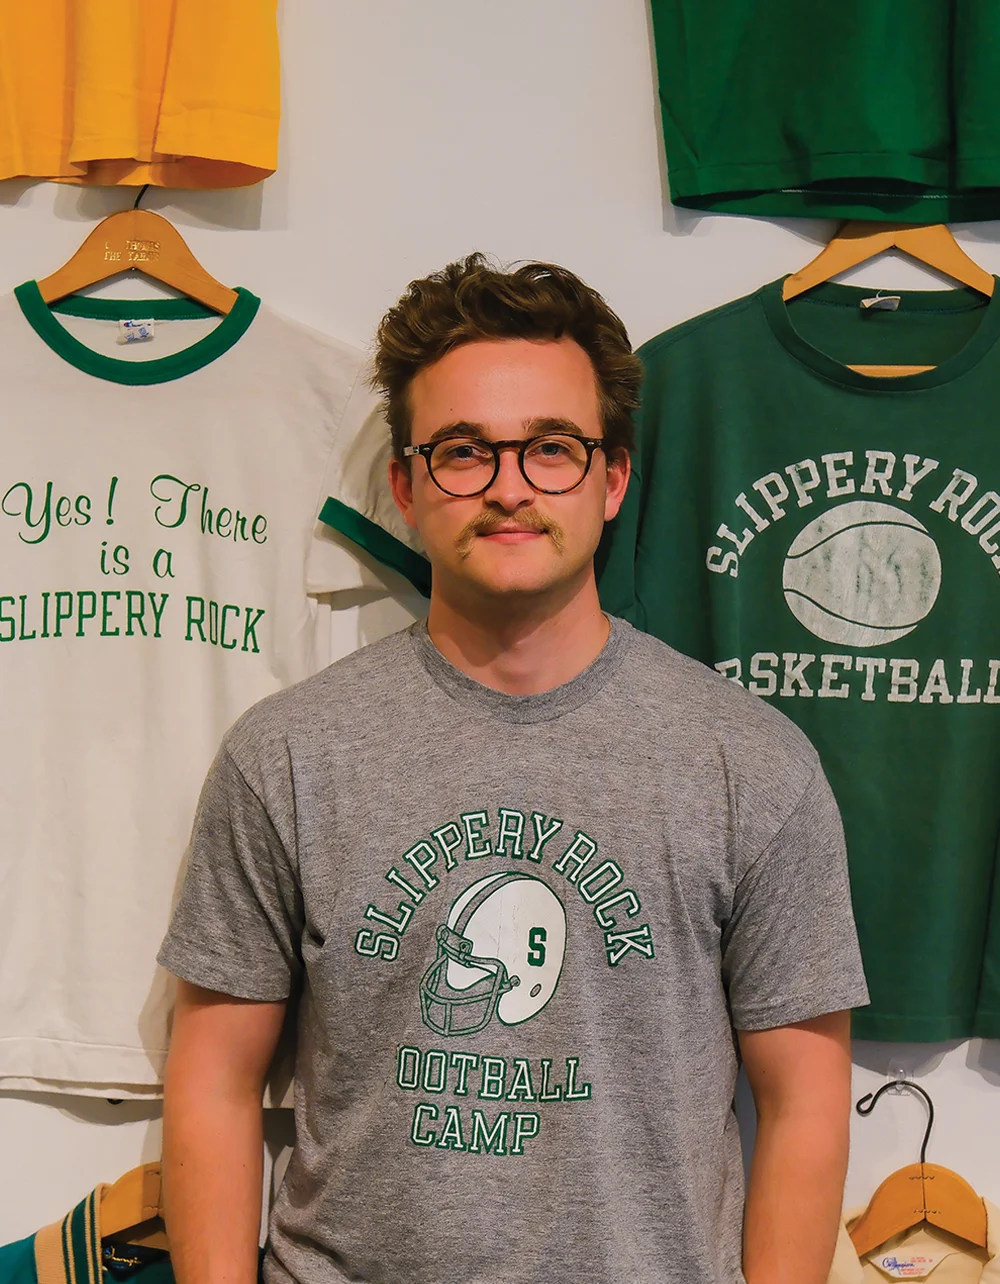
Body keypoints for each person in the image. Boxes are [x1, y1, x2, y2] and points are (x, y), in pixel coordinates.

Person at [158, 254, 870, 1284]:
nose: (506, 488)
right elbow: (216, 1079)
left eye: (550, 449)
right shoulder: (290, 755)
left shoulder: (751, 764)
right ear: (403, 484)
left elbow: (804, 1099)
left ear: (612, 475)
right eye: (461, 452)